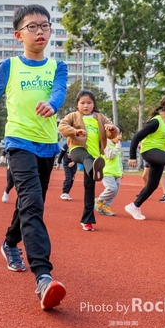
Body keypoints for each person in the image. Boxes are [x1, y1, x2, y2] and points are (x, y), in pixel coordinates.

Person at [0, 4, 67, 310]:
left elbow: (59, 92)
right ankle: (43, 277)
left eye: (45, 25)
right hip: (18, 143)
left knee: (30, 203)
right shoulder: (9, 67)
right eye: (32, 26)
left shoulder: (58, 66)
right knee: (32, 203)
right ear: (18, 35)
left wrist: (53, 104)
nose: (40, 31)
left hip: (47, 145)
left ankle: (9, 242)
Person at [58, 90, 118, 231]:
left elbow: (113, 132)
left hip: (95, 156)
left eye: (89, 103)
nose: (86, 106)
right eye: (82, 103)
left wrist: (111, 129)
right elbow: (62, 127)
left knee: (89, 189)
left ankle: (87, 220)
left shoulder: (100, 118)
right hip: (77, 149)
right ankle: (94, 171)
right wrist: (75, 131)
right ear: (77, 105)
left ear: (93, 104)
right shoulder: (73, 116)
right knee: (86, 157)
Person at [95, 126, 123, 216]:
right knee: (112, 188)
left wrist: (121, 171)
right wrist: (117, 147)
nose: (120, 137)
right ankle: (99, 200)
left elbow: (119, 160)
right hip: (107, 172)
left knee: (115, 192)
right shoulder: (105, 144)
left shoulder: (116, 145)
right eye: (117, 134)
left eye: (120, 134)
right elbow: (110, 156)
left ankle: (105, 206)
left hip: (116, 172)